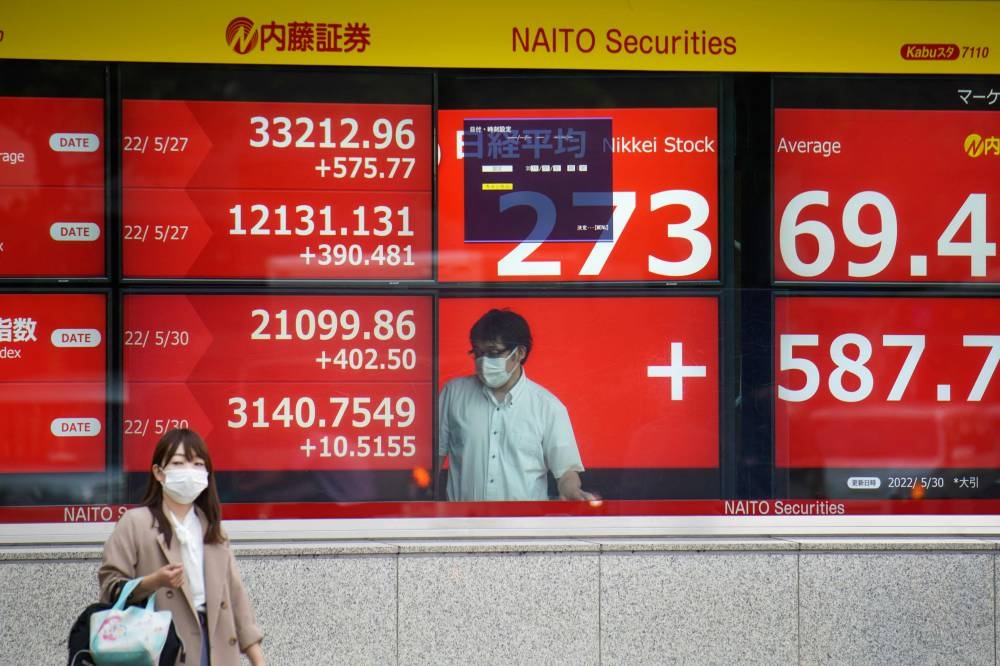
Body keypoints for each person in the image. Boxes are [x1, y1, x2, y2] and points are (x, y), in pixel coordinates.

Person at [98, 428, 265, 666]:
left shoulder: (213, 529)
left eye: (198, 464)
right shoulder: (136, 523)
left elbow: (236, 599)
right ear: (158, 472)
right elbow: (110, 586)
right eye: (178, 462)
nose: (190, 472)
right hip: (160, 647)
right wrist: (154, 581)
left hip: (215, 644)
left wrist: (257, 657)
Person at [439, 308, 592, 501]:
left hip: (523, 527)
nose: (484, 362)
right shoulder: (454, 394)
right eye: (478, 353)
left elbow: (566, 472)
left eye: (493, 353)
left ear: (519, 353)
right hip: (463, 525)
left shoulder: (547, 407)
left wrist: (573, 493)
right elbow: (431, 461)